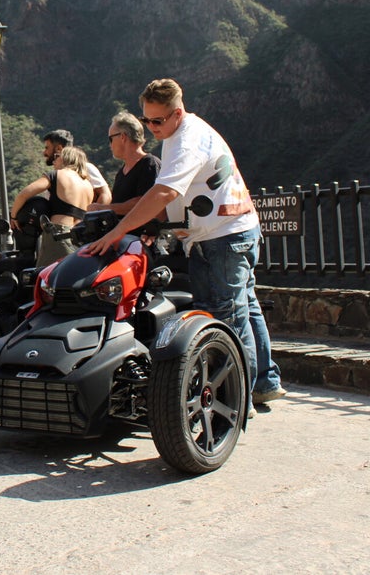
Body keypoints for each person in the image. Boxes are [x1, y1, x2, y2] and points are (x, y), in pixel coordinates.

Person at [87, 79, 286, 410]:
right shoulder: (179, 133)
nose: (150, 129)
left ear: (177, 113)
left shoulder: (185, 139)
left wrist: (119, 231)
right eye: (146, 120)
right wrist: (154, 225)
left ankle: (238, 400)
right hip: (230, 230)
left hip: (223, 236)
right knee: (245, 309)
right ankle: (264, 382)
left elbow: (164, 192)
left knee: (226, 316)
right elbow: (175, 198)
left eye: (157, 121)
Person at [11, 145, 94, 267]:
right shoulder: (88, 185)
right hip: (81, 236)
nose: (54, 160)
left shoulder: (57, 175)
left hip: (59, 234)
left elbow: (24, 194)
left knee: (46, 277)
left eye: (58, 156)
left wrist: (13, 217)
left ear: (66, 158)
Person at [89, 111, 161, 214]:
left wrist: (102, 209)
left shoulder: (149, 164)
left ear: (123, 137)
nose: (110, 145)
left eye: (111, 139)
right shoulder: (121, 173)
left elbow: (145, 202)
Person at [43, 129, 112, 205]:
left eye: (47, 148)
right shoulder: (54, 176)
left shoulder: (85, 168)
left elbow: (106, 195)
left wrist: (92, 215)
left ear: (59, 148)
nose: (44, 152)